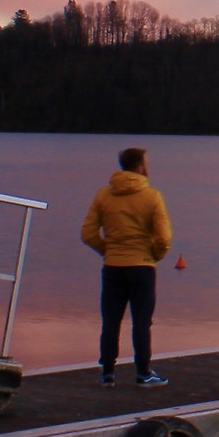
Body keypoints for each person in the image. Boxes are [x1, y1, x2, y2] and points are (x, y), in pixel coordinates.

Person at [79, 147, 173, 387]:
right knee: (141, 322)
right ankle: (143, 372)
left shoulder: (103, 195)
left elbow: (88, 233)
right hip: (142, 267)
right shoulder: (152, 196)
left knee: (111, 320)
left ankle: (107, 373)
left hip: (113, 267)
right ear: (140, 166)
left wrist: (107, 250)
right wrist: (154, 255)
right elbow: (164, 239)